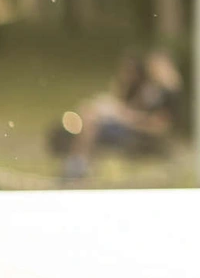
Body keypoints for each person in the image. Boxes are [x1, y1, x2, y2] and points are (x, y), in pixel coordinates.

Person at [58, 49, 182, 181]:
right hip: (129, 125)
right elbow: (132, 105)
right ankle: (77, 163)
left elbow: (157, 126)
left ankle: (78, 164)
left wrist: (123, 115)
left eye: (157, 65)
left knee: (91, 120)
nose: (153, 69)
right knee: (91, 112)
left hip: (137, 133)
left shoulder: (169, 94)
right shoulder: (150, 89)